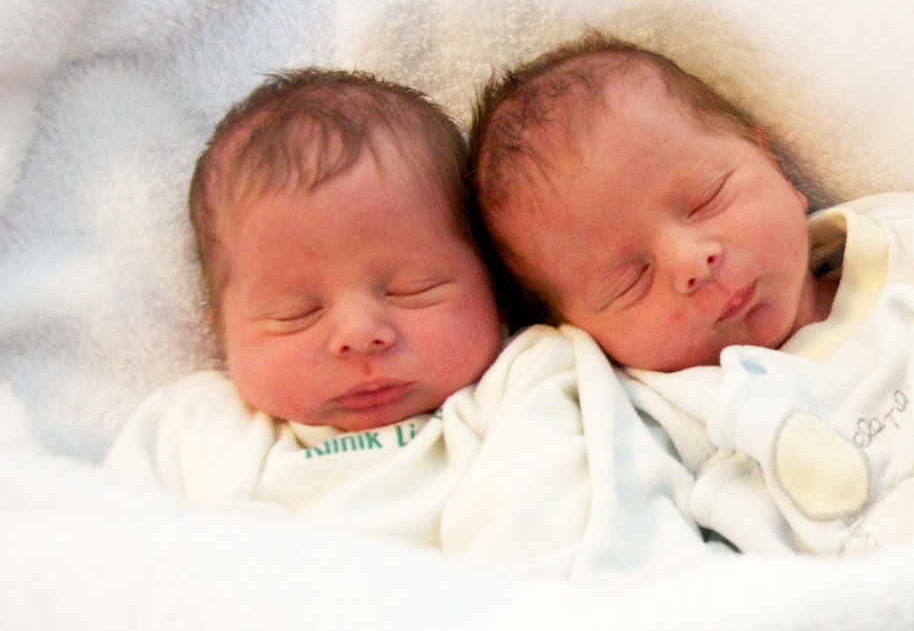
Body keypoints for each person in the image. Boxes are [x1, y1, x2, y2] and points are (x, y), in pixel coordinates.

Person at [104, 67, 708, 577]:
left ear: (497, 287)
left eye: (412, 289)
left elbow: (572, 524)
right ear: (222, 329)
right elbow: (104, 563)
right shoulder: (193, 428)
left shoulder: (527, 381)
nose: (359, 334)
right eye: (295, 313)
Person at [468, 34, 914, 556]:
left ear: (773, 165)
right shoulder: (660, 421)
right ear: (577, 332)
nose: (691, 263)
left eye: (706, 199)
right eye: (629, 280)